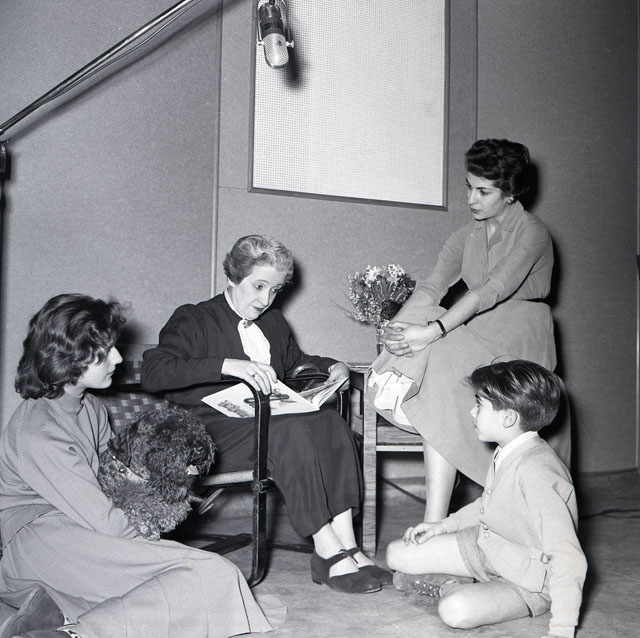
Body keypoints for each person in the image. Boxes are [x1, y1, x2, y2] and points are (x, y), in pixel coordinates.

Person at [0, 294, 277, 638]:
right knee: (209, 574)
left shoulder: (91, 407)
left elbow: (115, 480)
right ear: (69, 357)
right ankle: (75, 633)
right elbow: (106, 520)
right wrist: (153, 546)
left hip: (80, 531)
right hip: (41, 545)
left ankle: (57, 621)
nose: (118, 358)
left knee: (210, 575)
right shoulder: (39, 431)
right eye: (105, 352)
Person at [141, 234, 390, 594]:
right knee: (291, 431)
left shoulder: (273, 323)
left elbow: (297, 363)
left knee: (330, 422)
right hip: (211, 434)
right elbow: (154, 372)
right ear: (233, 277)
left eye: (275, 290)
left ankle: (348, 546)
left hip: (263, 423)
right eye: (258, 286)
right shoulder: (194, 318)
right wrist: (226, 365)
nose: (265, 299)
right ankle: (325, 549)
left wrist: (332, 366)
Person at [370, 138, 571, 522]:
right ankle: (434, 522)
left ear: (510, 193)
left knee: (435, 335)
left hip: (520, 336)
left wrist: (432, 330)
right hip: (478, 332)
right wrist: (395, 329)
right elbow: (432, 285)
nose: (471, 199)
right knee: (435, 370)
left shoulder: (532, 232)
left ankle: (434, 520)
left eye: (483, 191)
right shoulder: (468, 235)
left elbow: (489, 289)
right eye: (469, 187)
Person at [386, 360, 587, 638]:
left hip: (527, 580)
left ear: (508, 418)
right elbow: (488, 505)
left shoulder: (538, 471)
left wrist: (562, 630)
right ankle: (465, 582)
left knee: (455, 610)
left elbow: (568, 556)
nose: (472, 411)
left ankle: (451, 586)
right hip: (489, 550)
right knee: (396, 554)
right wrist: (442, 526)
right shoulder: (508, 449)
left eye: (479, 404)